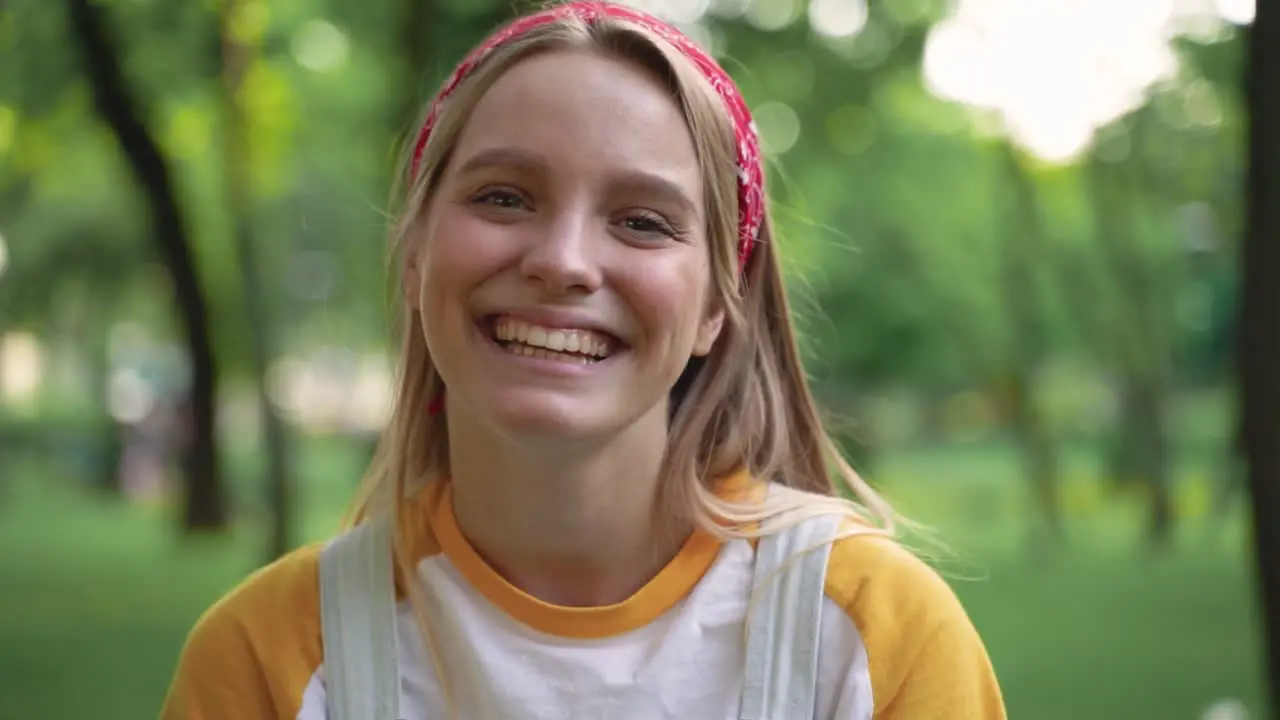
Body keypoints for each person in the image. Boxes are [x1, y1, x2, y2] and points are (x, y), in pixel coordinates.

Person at [160, 2, 1007, 718]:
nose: (563, 261)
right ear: (415, 254)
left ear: (717, 305)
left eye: (642, 220)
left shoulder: (872, 640)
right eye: (503, 197)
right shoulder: (269, 657)